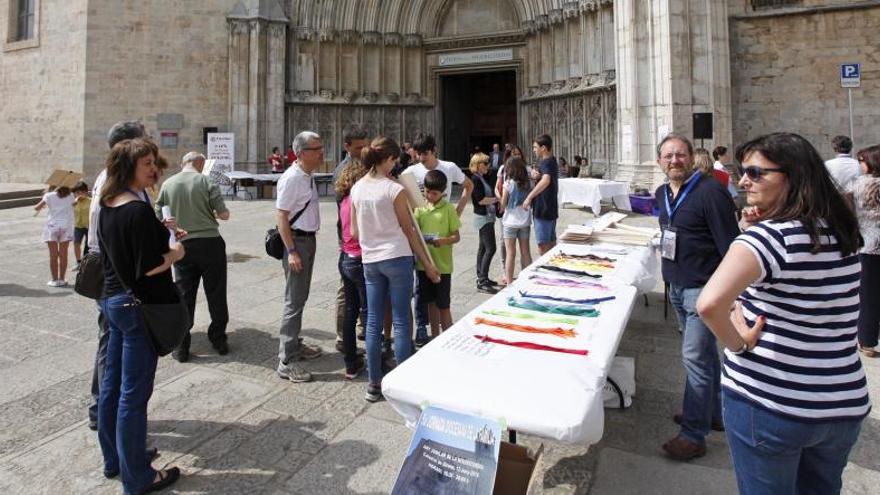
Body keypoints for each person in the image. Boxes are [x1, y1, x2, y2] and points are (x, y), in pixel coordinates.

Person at [696, 132, 869, 494]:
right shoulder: (841, 231)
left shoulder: (767, 239)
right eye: (743, 172)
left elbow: (709, 305)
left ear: (792, 176)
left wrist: (738, 344)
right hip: (841, 403)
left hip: (772, 400)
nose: (743, 181)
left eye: (756, 173)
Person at [97, 138, 183, 494]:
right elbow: (148, 267)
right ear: (128, 167)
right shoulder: (136, 209)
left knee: (112, 386)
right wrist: (175, 252)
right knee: (133, 394)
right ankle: (139, 477)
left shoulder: (107, 204)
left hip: (113, 300)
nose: (154, 169)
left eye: (153, 162)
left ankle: (117, 458)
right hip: (137, 308)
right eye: (146, 163)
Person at [654, 133, 739, 460]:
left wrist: (729, 295)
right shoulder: (662, 193)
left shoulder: (710, 192)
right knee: (704, 356)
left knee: (695, 359)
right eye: (668, 156)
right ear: (659, 161)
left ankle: (693, 434)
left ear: (691, 158)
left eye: (680, 155)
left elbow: (731, 246)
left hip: (703, 290)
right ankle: (713, 413)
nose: (674, 161)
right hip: (677, 286)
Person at [351, 136, 440, 402]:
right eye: (394, 161)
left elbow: (354, 231)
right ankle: (402, 385)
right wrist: (428, 265)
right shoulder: (394, 190)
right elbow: (410, 231)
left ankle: (374, 384)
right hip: (397, 257)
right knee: (401, 320)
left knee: (374, 321)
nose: (395, 166)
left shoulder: (357, 188)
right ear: (387, 159)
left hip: (370, 260)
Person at [85, 120, 148, 431]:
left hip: (112, 273)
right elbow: (113, 234)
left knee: (110, 341)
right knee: (113, 345)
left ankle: (104, 411)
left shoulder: (112, 180)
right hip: (118, 277)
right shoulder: (116, 184)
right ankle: (104, 411)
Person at [155, 151, 231, 362]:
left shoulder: (168, 184)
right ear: (200, 163)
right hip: (210, 243)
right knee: (216, 292)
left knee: (184, 294)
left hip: (183, 244)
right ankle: (218, 339)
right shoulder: (206, 181)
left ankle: (181, 346)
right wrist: (213, 213)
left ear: (183, 163)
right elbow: (224, 214)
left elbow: (158, 211)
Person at [404, 133, 473, 344]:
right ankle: (423, 328)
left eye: (424, 153)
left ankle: (443, 334)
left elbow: (469, 186)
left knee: (440, 293)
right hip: (421, 229)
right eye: (417, 154)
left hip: (442, 236)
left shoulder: (449, 167)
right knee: (421, 287)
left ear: (433, 150)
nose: (420, 158)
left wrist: (457, 212)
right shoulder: (411, 172)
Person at [275, 131, 324, 383]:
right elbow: (281, 216)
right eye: (316, 149)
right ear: (302, 153)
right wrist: (292, 250)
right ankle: (286, 360)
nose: (321, 152)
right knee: (293, 300)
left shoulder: (307, 175)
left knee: (300, 296)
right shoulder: (292, 178)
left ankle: (294, 345)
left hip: (307, 239)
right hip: (297, 242)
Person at [333, 128, 370, 353]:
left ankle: (361, 326)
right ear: (347, 147)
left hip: (359, 240)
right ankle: (341, 335)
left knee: (358, 290)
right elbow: (345, 210)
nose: (362, 150)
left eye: (365, 146)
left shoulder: (364, 165)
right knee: (346, 291)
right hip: (350, 240)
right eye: (358, 147)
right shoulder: (343, 171)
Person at [415, 170, 461, 336]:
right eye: (427, 192)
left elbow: (456, 236)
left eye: (434, 193)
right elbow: (415, 233)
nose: (429, 196)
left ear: (443, 193)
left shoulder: (448, 209)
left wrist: (444, 241)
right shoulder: (420, 208)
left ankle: (447, 335)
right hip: (424, 265)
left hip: (443, 266)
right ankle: (434, 336)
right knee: (430, 304)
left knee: (443, 305)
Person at [336, 159, 369, 379]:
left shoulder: (344, 200)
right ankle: (376, 361)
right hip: (360, 259)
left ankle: (350, 363)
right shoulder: (359, 202)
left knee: (350, 313)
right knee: (369, 313)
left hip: (346, 258)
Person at [849, 144, 880, 357]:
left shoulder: (859, 184)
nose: (860, 165)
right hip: (870, 243)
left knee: (868, 295)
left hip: (868, 245)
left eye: (862, 160)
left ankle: (867, 340)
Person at [469, 152, 500, 293]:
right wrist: (496, 199)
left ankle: (482, 277)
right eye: (485, 163)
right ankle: (482, 280)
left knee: (483, 248)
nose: (488, 165)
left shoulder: (481, 177)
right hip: (483, 216)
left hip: (486, 216)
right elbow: (481, 199)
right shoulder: (475, 179)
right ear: (478, 165)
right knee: (490, 248)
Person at [523, 134, 559, 255]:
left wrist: (529, 197)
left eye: (535, 147)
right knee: (551, 243)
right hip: (550, 208)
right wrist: (537, 175)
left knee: (543, 246)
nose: (534, 150)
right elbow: (544, 177)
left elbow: (546, 180)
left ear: (543, 148)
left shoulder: (546, 162)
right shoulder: (551, 161)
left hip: (543, 209)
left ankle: (546, 271)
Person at [500, 157, 533, 284]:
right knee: (525, 252)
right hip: (524, 221)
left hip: (510, 222)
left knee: (510, 253)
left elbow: (503, 204)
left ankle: (509, 282)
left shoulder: (508, 184)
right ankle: (527, 280)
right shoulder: (529, 183)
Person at [34, 185, 75, 287]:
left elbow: (36, 207)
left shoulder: (48, 196)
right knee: (63, 254)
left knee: (53, 255)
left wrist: (45, 203)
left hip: (52, 226)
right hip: (66, 226)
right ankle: (62, 279)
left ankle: (54, 280)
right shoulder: (71, 195)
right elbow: (74, 205)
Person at [72, 181, 91, 271]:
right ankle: (78, 262)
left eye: (82, 192)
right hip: (78, 226)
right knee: (76, 243)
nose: (80, 194)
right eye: (77, 192)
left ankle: (86, 262)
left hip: (89, 226)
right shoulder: (74, 202)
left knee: (88, 245)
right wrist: (75, 200)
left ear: (87, 192)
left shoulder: (91, 201)